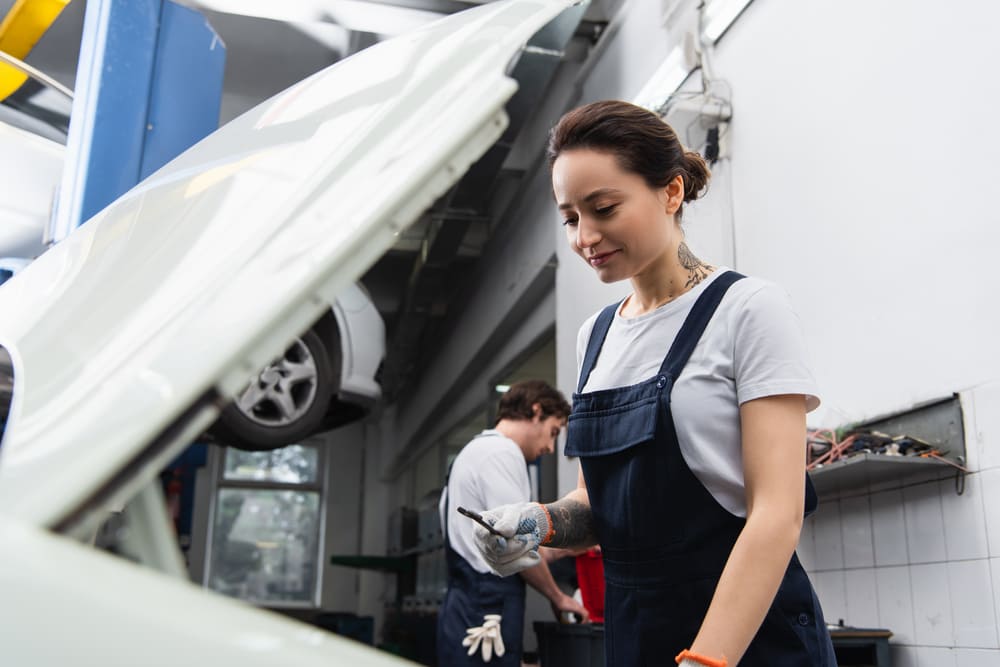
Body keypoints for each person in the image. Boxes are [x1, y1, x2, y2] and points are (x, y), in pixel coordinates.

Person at [472, 101, 836, 667]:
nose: (585, 237)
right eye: (570, 218)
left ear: (670, 193)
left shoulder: (748, 310)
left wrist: (707, 659)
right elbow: (597, 504)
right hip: (637, 632)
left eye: (604, 208)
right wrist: (540, 521)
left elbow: (777, 513)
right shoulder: (595, 336)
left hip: (748, 638)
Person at [437, 379, 589, 666]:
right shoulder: (502, 453)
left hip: (469, 607)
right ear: (536, 411)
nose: (550, 447)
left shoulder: (477, 451)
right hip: (485, 611)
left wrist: (573, 546)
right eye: (553, 432)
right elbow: (516, 545)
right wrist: (559, 598)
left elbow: (510, 542)